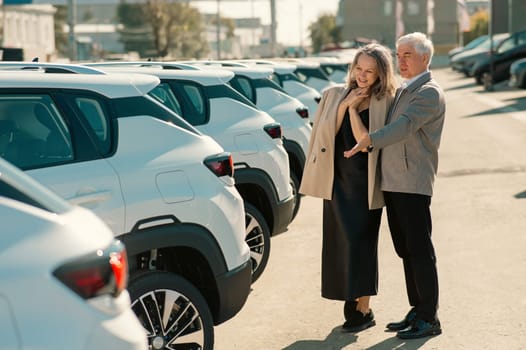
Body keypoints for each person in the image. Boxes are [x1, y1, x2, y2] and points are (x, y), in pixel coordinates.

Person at [344, 32, 446, 339]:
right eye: (398, 55)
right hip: (394, 182)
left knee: (420, 250)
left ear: (425, 59)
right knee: (406, 251)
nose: (400, 60)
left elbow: (403, 127)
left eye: (408, 55)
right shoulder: (405, 89)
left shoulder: (428, 92)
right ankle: (418, 310)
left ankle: (430, 318)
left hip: (412, 182)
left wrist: (368, 140)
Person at [299, 43, 396, 333]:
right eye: (359, 69)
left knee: (362, 245)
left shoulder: (386, 100)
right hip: (337, 181)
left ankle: (363, 308)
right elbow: (323, 137)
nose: (363, 75)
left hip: (366, 184)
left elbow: (364, 141)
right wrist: (344, 104)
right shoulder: (331, 95)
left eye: (370, 71)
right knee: (339, 244)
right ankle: (349, 299)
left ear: (381, 75)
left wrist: (353, 110)